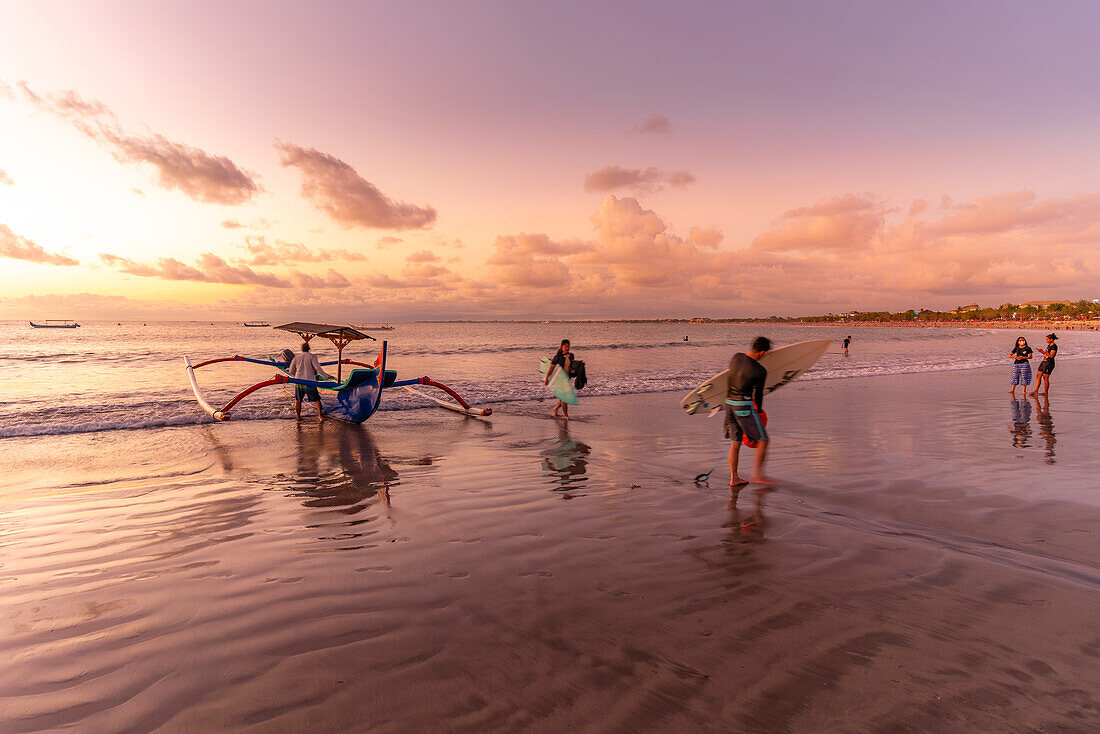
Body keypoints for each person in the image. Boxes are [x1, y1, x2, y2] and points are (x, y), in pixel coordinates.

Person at [726, 336, 775, 487]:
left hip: (729, 404)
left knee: (735, 443)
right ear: (762, 353)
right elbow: (758, 395)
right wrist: (759, 411)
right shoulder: (760, 370)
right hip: (743, 406)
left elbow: (731, 377)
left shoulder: (736, 357)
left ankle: (734, 478)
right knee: (763, 440)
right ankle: (758, 475)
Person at [288, 341, 332, 421]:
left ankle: (298, 417)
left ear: (302, 349)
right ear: (309, 349)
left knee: (298, 400)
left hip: (299, 382)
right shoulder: (312, 356)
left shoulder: (296, 357)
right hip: (310, 382)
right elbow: (318, 369)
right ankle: (320, 416)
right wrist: (326, 377)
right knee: (316, 400)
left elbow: (291, 371)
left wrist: (295, 377)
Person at [545, 339, 574, 419]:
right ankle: (566, 416)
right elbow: (551, 368)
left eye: (568, 346)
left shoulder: (571, 356)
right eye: (565, 346)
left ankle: (555, 409)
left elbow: (571, 367)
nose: (567, 348)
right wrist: (547, 378)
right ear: (561, 347)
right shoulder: (557, 357)